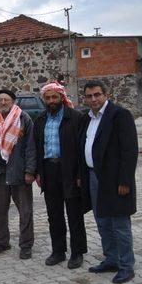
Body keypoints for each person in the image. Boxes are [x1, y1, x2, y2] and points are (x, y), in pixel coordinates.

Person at [79, 80, 138, 284]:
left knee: (120, 224)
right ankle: (111, 259)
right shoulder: (88, 118)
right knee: (102, 221)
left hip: (115, 180)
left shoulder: (120, 115)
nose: (93, 99)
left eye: (97, 95)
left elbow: (129, 151)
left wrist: (125, 180)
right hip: (94, 177)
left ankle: (126, 266)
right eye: (89, 96)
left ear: (106, 94)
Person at [34, 82, 86, 269]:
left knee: (74, 214)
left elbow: (82, 150)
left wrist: (81, 174)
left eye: (54, 97)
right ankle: (58, 251)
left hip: (70, 171)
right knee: (54, 214)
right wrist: (38, 172)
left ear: (62, 97)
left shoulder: (76, 118)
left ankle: (77, 252)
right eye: (47, 98)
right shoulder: (40, 120)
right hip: (49, 170)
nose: (51, 101)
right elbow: (38, 149)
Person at [0, 89, 36, 259]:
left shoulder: (24, 118)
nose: (3, 102)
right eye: (0, 100)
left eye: (6, 99)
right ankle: (2, 242)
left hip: (19, 174)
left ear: (13, 101)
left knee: (25, 211)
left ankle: (26, 245)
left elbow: (31, 147)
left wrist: (30, 171)